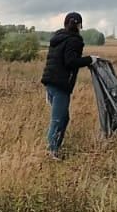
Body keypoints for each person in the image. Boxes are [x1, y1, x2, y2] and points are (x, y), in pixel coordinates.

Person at [40, 12, 97, 160]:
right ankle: (52, 151)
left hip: (50, 82)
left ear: (65, 23)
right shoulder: (74, 40)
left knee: (63, 118)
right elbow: (70, 61)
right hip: (61, 85)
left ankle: (56, 148)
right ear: (79, 25)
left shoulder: (57, 38)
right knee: (58, 119)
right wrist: (90, 60)